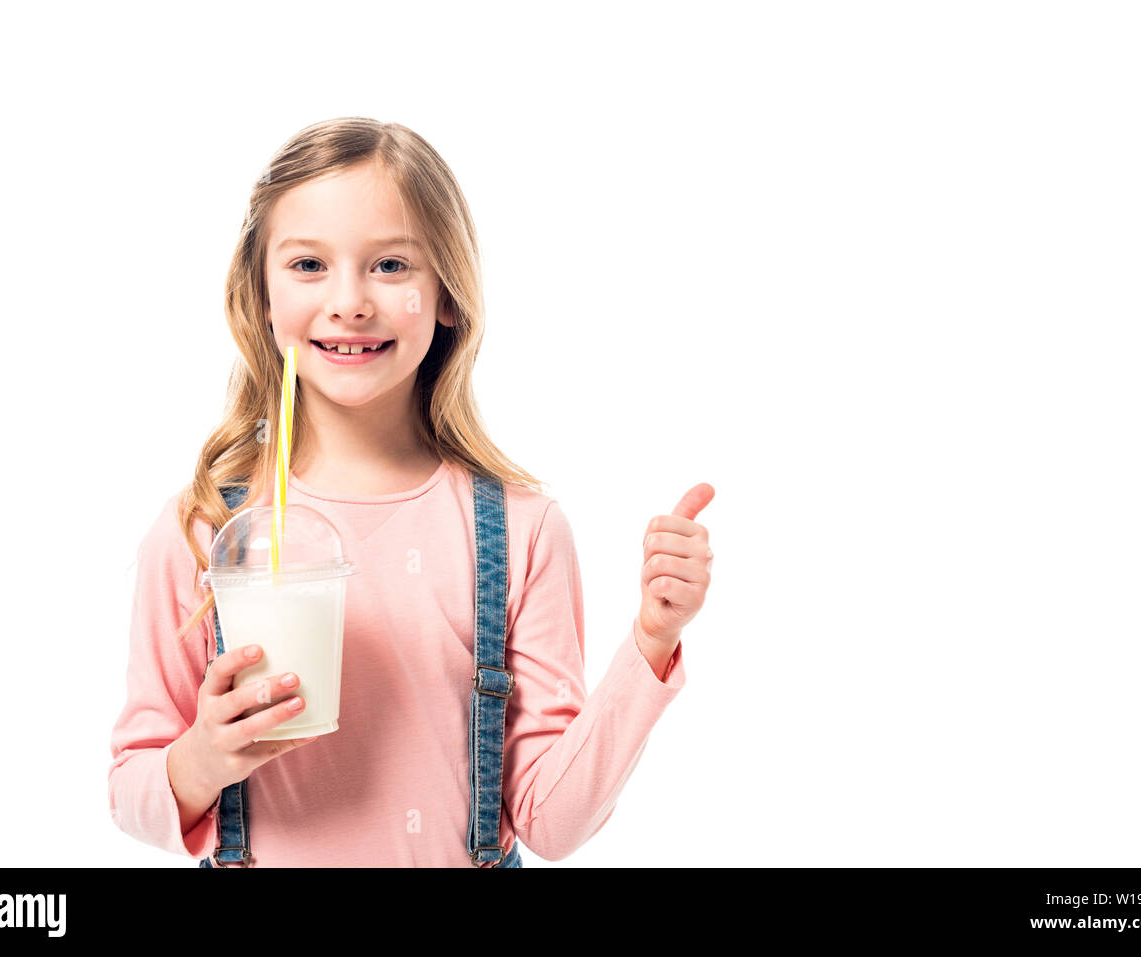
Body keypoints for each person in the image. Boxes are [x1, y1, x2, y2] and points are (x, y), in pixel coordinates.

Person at [108, 117, 715, 867]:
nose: (349, 301)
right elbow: (131, 786)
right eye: (307, 265)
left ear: (448, 295)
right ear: (261, 297)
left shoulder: (520, 532)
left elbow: (552, 823)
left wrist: (650, 641)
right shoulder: (203, 531)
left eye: (391, 265)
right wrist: (204, 757)